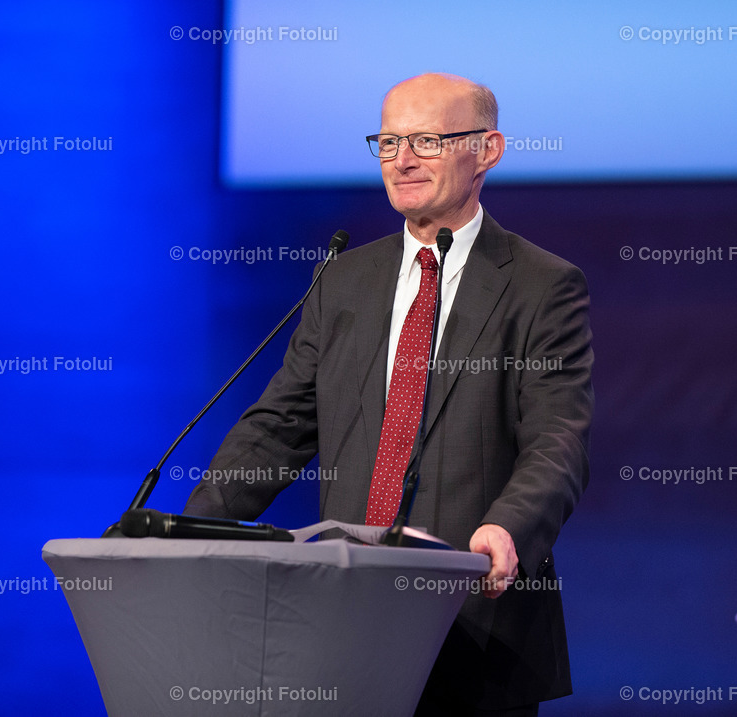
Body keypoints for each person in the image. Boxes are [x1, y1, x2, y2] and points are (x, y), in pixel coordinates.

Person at [184, 73, 593, 716]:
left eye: (426, 140)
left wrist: (508, 527)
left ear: (487, 150)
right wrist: (189, 529)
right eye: (389, 142)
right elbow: (280, 425)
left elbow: (557, 440)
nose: (402, 160)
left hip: (472, 621)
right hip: (343, 621)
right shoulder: (343, 280)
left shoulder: (541, 286)